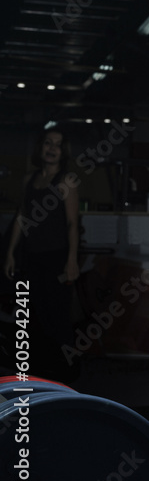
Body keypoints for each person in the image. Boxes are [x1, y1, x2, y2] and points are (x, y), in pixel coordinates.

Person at [3, 127, 81, 380]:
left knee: (58, 318)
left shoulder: (66, 180)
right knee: (30, 315)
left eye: (57, 144)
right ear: (41, 147)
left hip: (56, 258)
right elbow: (21, 217)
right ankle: (39, 373)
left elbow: (72, 223)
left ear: (63, 151)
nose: (51, 148)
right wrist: (10, 253)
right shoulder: (30, 179)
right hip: (30, 257)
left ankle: (68, 377)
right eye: (48, 143)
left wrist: (71, 261)